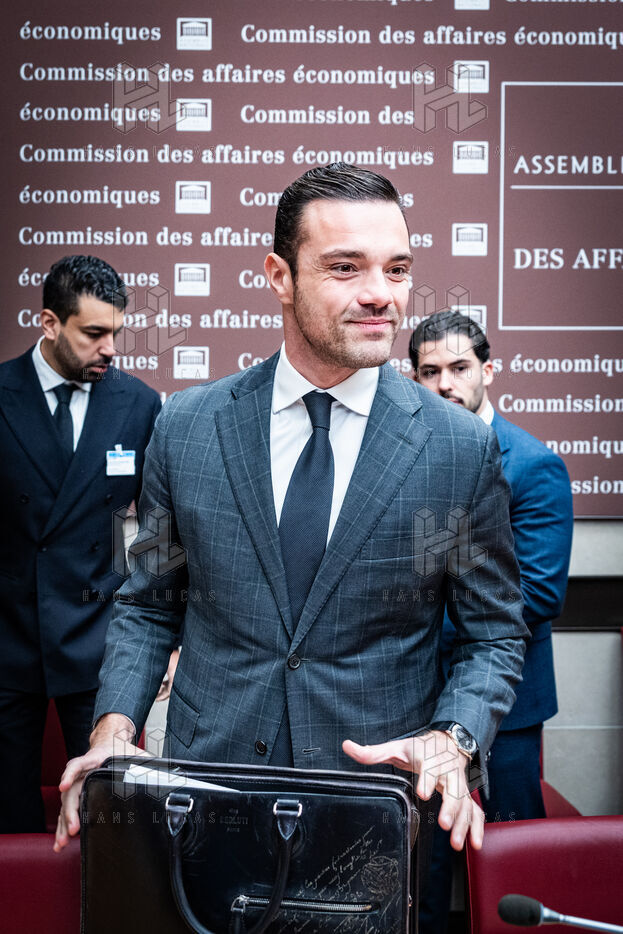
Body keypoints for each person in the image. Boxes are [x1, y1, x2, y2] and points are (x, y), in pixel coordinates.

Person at [55, 167, 528, 912]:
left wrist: (454, 737)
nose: (380, 294)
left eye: (396, 269)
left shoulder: (454, 450)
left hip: (374, 812)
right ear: (279, 275)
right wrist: (115, 728)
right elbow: (148, 604)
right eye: (345, 268)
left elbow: (491, 634)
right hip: (208, 802)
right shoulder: (188, 428)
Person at [409, 309, 573, 931]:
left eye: (459, 368)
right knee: (419, 864)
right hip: (416, 701)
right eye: (430, 372)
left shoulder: (533, 465)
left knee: (512, 856)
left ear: (489, 371)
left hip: (508, 703)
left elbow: (538, 595)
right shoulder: (404, 461)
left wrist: (416, 627)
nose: (445, 384)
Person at [0, 254, 161, 833]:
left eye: (115, 332)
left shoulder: (139, 403)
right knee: (9, 820)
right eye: (93, 333)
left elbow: (159, 528)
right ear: (49, 323)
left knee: (110, 819)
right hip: (7, 637)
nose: (110, 349)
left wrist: (165, 627)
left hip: (99, 640)